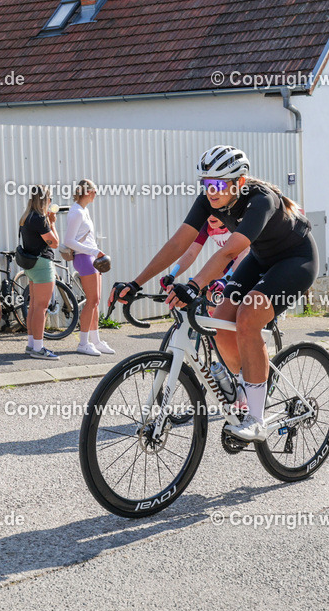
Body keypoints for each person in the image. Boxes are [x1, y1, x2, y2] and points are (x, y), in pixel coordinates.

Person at [111, 145, 317, 443]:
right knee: (220, 323)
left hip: (296, 260)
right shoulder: (209, 200)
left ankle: (256, 419)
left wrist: (193, 285)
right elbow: (178, 243)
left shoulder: (261, 200)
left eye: (219, 184)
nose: (212, 191)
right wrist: (136, 282)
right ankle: (252, 383)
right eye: (207, 184)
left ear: (239, 183)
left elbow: (230, 252)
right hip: (261, 259)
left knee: (248, 316)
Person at [61, 179, 113, 356]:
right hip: (84, 258)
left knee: (95, 301)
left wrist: (96, 252)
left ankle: (96, 341)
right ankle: (83, 343)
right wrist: (93, 250)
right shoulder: (76, 212)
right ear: (88, 192)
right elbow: (69, 241)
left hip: (92, 257)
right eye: (95, 191)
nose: (96, 195)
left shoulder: (84, 210)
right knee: (92, 301)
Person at [20, 186, 62, 360]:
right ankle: (38, 347)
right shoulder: (39, 219)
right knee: (41, 308)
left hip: (31, 266)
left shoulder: (27, 217)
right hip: (42, 265)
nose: (51, 201)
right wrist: (52, 223)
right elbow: (55, 243)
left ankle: (32, 344)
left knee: (35, 306)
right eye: (50, 198)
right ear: (45, 200)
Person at [164, 215, 250, 291]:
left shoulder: (237, 221)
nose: (211, 216)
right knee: (211, 292)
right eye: (209, 212)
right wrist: (172, 275)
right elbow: (191, 253)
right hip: (231, 260)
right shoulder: (207, 225)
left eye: (215, 213)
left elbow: (246, 251)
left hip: (249, 260)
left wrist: (226, 279)